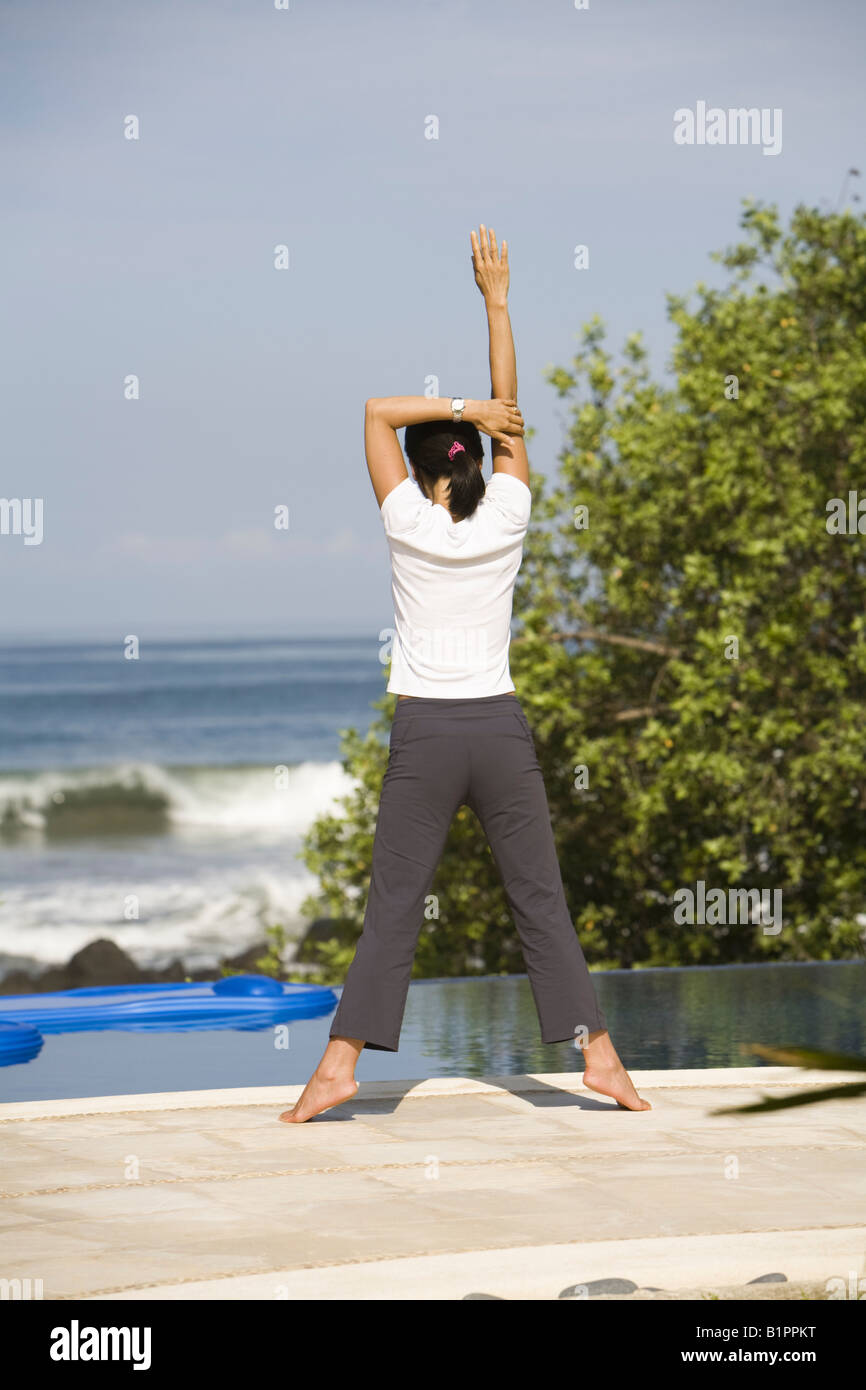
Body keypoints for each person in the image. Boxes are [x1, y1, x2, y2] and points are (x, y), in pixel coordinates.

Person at [281, 225, 650, 1122]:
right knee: (541, 899)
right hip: (499, 729)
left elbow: (375, 410)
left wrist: (460, 405)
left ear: (415, 473)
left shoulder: (405, 516)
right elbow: (511, 409)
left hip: (428, 733)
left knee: (396, 905)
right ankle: (602, 1060)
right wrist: (497, 307)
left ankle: (337, 1069)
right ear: (487, 462)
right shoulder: (510, 512)